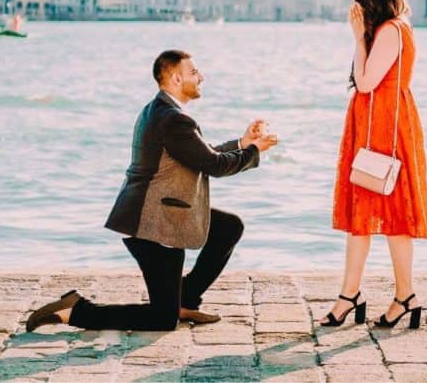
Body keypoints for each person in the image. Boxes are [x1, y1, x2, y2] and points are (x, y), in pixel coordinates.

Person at [25, 50, 278, 332]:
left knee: (228, 227)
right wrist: (254, 151)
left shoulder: (160, 111)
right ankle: (76, 310)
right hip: (153, 223)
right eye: (194, 72)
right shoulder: (174, 119)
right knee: (161, 319)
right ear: (176, 78)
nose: (201, 77)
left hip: (156, 212)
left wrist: (242, 144)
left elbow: (201, 155)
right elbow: (214, 165)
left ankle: (184, 300)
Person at [322, 0, 427, 329]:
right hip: (376, 125)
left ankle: (399, 295)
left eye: (358, 0)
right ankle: (359, 294)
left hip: (384, 129)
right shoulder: (393, 29)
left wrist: (357, 39)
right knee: (364, 217)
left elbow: (366, 82)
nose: (355, 9)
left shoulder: (390, 30)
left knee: (392, 215)